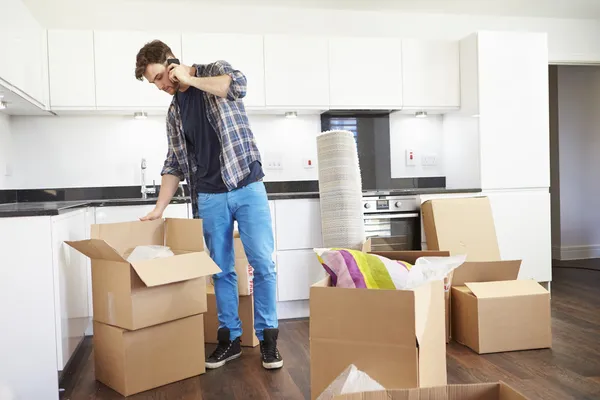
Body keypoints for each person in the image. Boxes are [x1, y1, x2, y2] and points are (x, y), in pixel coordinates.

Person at [134, 40, 282, 370]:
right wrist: (159, 208)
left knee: (263, 263)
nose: (160, 87)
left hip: (247, 185)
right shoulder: (174, 113)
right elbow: (174, 161)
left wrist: (190, 79)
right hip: (210, 196)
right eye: (154, 82)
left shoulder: (214, 71)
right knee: (221, 271)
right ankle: (229, 339)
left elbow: (238, 85)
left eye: (160, 77)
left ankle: (269, 339)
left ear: (170, 62)